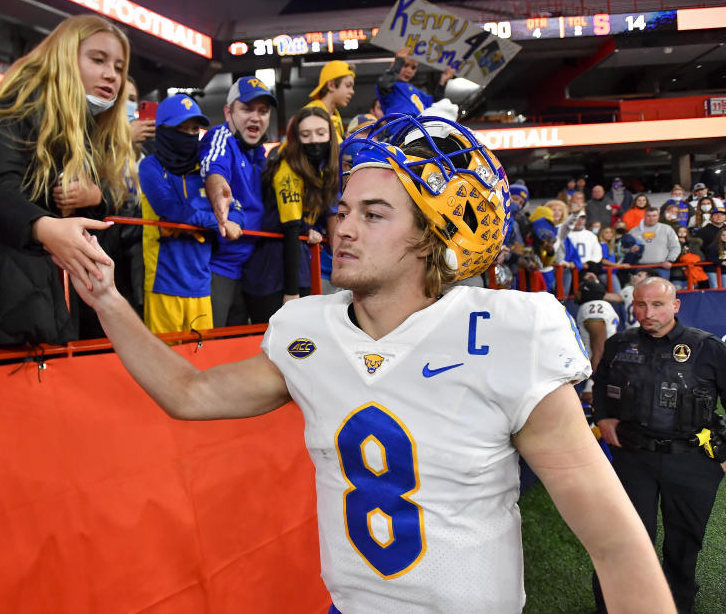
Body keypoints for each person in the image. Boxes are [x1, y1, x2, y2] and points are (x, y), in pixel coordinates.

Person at [71, 114, 674, 614]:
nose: (343, 228)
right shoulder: (308, 331)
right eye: (343, 209)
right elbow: (189, 393)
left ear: (431, 236)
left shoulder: (506, 331)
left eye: (374, 213)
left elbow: (616, 545)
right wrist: (107, 296)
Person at [0, 14, 131, 346]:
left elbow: (119, 210)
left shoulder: (91, 133)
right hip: (13, 300)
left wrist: (97, 197)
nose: (111, 74)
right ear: (64, 56)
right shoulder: (12, 111)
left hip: (68, 303)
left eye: (119, 67)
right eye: (98, 59)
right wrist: (42, 226)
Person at [592, 277, 726, 614]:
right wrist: (603, 417)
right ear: (632, 305)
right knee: (626, 539)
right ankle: (617, 607)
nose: (647, 312)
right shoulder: (619, 344)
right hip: (633, 457)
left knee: (684, 543)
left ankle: (678, 606)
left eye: (657, 304)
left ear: (675, 306)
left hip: (692, 460)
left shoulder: (707, 347)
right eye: (640, 304)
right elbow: (601, 383)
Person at [138, 94, 243, 334]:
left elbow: (237, 212)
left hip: (201, 285)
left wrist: (225, 219)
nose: (188, 135)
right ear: (164, 131)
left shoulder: (205, 170)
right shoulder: (151, 166)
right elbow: (172, 211)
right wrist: (219, 222)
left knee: (202, 361)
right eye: (180, 128)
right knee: (164, 365)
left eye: (193, 129)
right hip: (162, 282)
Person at [242, 105, 338, 322]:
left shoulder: (321, 169)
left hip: (297, 263)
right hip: (272, 272)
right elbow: (290, 227)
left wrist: (308, 228)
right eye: (306, 135)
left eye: (321, 133)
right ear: (297, 138)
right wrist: (291, 292)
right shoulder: (288, 170)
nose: (314, 140)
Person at [201, 75, 276, 327]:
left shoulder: (258, 154)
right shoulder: (221, 136)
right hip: (217, 267)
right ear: (228, 112)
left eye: (263, 111)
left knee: (237, 347)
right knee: (211, 350)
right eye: (246, 109)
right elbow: (214, 169)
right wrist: (219, 193)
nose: (256, 117)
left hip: (248, 269)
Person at [375, 45, 453, 117]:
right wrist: (399, 61)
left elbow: (435, 103)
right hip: (402, 128)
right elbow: (384, 83)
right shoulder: (391, 88)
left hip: (421, 127)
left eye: (413, 68)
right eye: (405, 65)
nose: (409, 71)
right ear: (395, 64)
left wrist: (442, 83)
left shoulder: (416, 92)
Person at [304, 60, 355, 141]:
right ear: (331, 85)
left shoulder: (334, 115)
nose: (352, 91)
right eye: (348, 85)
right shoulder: (313, 114)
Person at [629, 206, 680, 279]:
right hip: (640, 267)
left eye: (654, 215)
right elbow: (623, 248)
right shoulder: (634, 231)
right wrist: (630, 250)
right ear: (644, 216)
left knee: (661, 290)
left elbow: (675, 247)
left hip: (661, 267)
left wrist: (670, 260)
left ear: (658, 216)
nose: (651, 218)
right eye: (648, 216)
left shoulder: (667, 229)